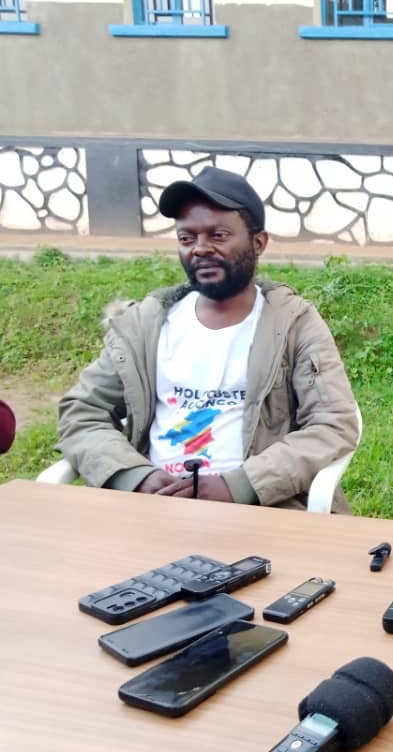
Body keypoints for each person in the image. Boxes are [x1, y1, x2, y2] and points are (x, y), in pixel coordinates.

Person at [57, 167, 359, 512]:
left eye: (218, 235)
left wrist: (240, 486)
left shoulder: (293, 324)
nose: (200, 249)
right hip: (150, 509)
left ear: (258, 242)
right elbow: (82, 410)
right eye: (187, 239)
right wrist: (135, 476)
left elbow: (333, 423)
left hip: (264, 509)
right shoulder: (144, 326)